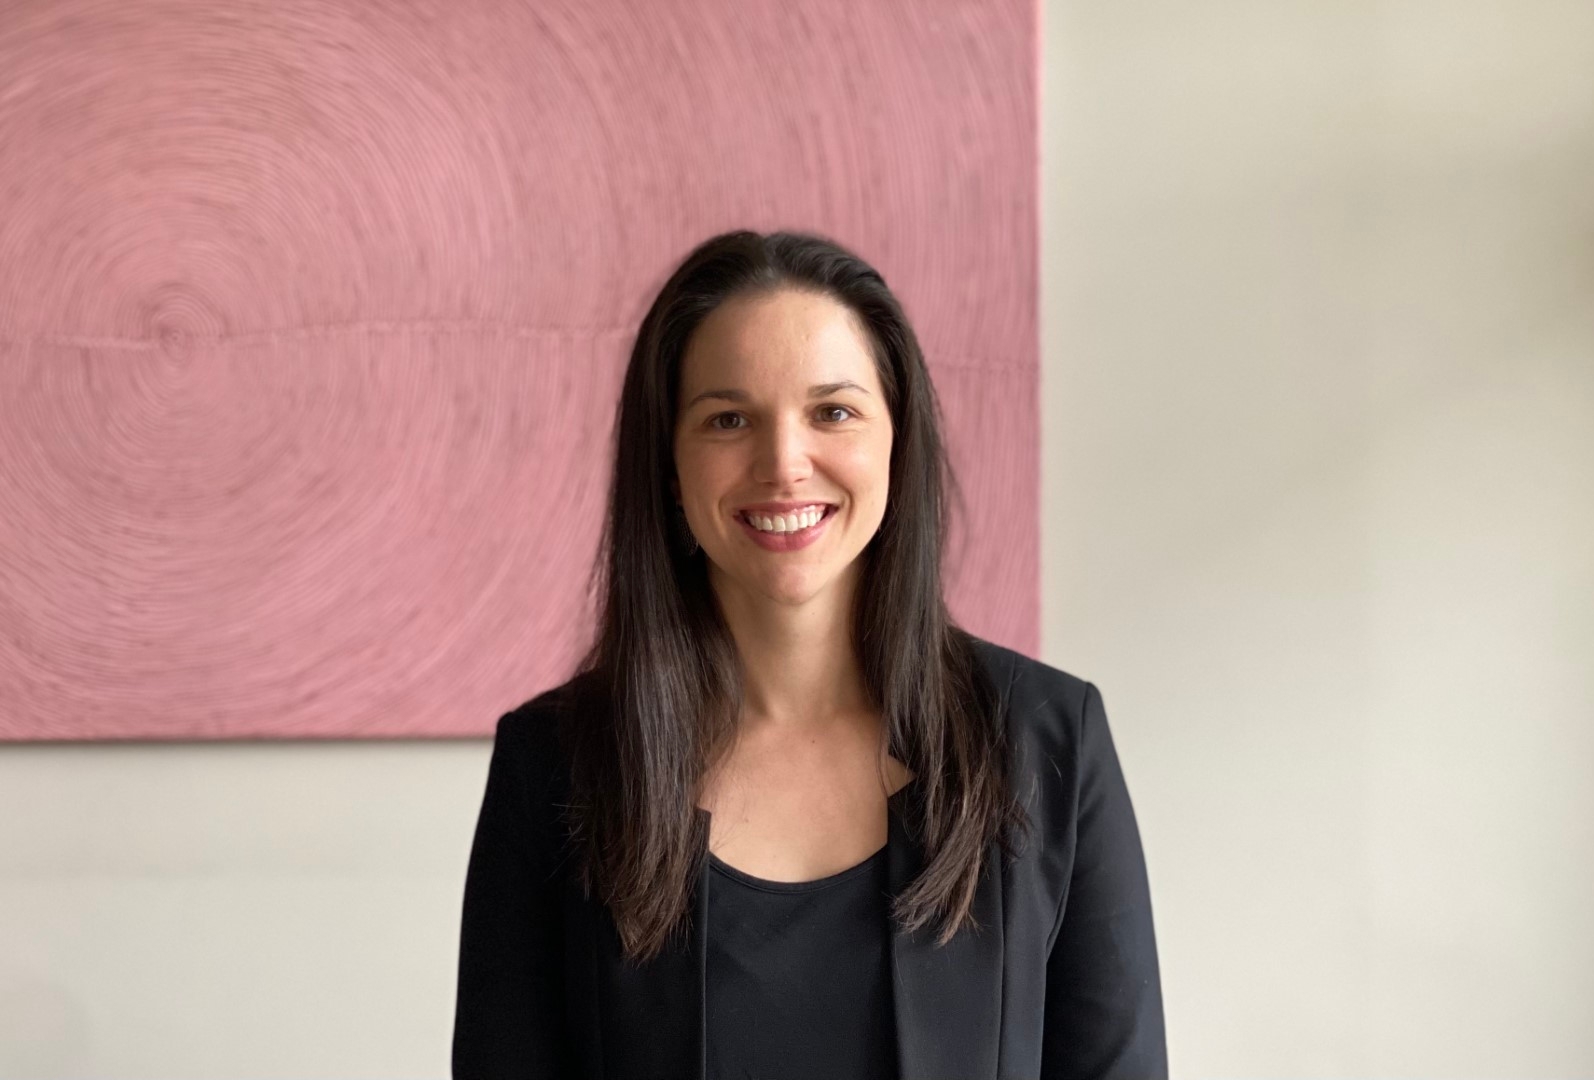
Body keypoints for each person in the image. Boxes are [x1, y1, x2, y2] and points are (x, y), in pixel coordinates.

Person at [452, 230, 1167, 1079]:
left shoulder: (1049, 738)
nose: (783, 463)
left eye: (833, 411)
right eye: (728, 419)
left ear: (896, 441)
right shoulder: (555, 765)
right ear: (669, 466)